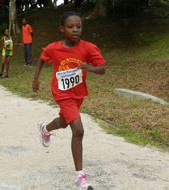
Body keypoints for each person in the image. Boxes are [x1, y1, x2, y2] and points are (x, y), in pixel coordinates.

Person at [32, 12, 106, 190]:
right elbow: (42, 59)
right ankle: (80, 177)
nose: (75, 30)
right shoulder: (54, 48)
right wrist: (36, 79)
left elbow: (103, 69)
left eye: (78, 27)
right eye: (70, 26)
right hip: (62, 93)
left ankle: (46, 129)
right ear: (62, 29)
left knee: (65, 122)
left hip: (78, 94)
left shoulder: (88, 48)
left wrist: (90, 67)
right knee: (78, 130)